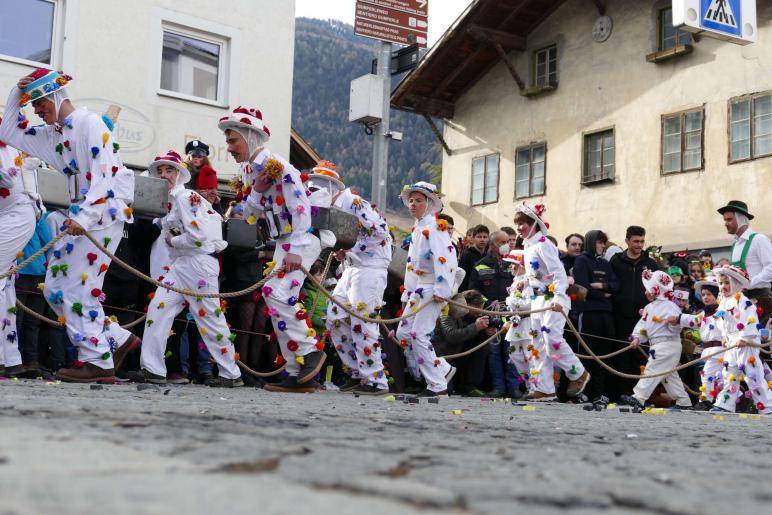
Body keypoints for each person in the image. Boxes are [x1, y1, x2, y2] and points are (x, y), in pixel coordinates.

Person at [0, 68, 139, 383]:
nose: (36, 110)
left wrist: (86, 217)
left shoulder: (90, 124)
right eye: (32, 104)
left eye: (38, 102)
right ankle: (115, 339)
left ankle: (98, 361)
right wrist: (15, 94)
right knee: (55, 288)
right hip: (80, 215)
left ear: (54, 95)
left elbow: (106, 175)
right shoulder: (54, 135)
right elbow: (9, 132)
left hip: (100, 215)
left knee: (74, 289)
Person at [221, 106, 325, 393]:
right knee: (274, 295)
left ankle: (310, 352)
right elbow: (250, 212)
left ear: (251, 138)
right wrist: (257, 188)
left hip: (300, 239)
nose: (229, 147)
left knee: (277, 293)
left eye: (233, 140)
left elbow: (301, 207)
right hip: (283, 241)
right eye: (228, 141)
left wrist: (295, 250)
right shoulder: (252, 171)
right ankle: (296, 371)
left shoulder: (278, 166)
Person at [127, 151, 241, 387]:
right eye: (160, 171)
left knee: (209, 319)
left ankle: (231, 373)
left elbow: (198, 237)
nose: (164, 174)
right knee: (158, 310)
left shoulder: (184, 197)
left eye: (169, 170)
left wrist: (173, 241)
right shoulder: (173, 201)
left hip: (197, 263)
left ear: (179, 174)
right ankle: (153, 369)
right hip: (182, 265)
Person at [308, 160, 392, 395]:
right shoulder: (333, 210)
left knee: (362, 321)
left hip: (370, 267)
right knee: (334, 317)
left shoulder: (355, 203)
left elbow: (380, 232)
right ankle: (357, 372)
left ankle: (375, 380)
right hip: (352, 268)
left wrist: (352, 248)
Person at [514, 203, 590, 401]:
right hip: (537, 300)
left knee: (552, 341)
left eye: (523, 223)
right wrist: (523, 282)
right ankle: (544, 388)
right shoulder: (529, 247)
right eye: (518, 224)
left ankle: (578, 373)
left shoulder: (543, 245)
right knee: (537, 344)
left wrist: (557, 297)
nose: (519, 228)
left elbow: (559, 274)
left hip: (553, 299)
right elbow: (538, 275)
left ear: (534, 224)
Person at [396, 182, 457, 397]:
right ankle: (442, 368)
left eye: (419, 201)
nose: (413, 204)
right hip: (419, 288)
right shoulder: (418, 229)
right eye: (411, 201)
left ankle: (437, 385)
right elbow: (412, 266)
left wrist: (442, 289)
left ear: (429, 204)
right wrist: (408, 293)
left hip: (433, 287)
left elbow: (447, 261)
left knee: (419, 334)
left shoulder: (435, 228)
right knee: (403, 333)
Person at [619, 270, 692, 410]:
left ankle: (638, 397)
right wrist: (637, 338)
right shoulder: (649, 307)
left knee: (652, 370)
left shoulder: (671, 306)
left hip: (668, 344)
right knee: (668, 375)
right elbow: (642, 326)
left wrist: (672, 324)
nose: (645, 292)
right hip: (658, 345)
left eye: (647, 289)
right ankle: (683, 402)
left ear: (654, 291)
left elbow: (677, 326)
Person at [707, 266, 772, 414]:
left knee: (752, 375)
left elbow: (749, 319)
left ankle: (767, 406)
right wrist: (724, 336)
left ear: (736, 283)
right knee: (729, 373)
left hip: (745, 343)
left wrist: (744, 337)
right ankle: (725, 404)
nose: (723, 287)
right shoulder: (723, 302)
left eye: (727, 283)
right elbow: (722, 322)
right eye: (721, 283)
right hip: (731, 343)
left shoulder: (742, 300)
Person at [0, 144, 38, 377]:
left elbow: (7, 178)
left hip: (17, 215)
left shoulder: (6, 143)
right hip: (9, 216)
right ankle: (9, 357)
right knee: (5, 287)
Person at [609, 225, 660, 397]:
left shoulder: (651, 264)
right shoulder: (616, 261)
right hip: (621, 317)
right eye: (636, 241)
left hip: (644, 318)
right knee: (622, 356)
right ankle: (621, 393)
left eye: (642, 241)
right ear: (627, 241)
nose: (639, 245)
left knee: (642, 357)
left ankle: (639, 395)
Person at [468, 230, 518, 398]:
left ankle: (514, 388)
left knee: (512, 351)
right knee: (494, 353)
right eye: (502, 242)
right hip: (490, 317)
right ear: (493, 243)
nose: (507, 245)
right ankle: (498, 388)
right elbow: (474, 292)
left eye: (508, 241)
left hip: (511, 316)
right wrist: (488, 304)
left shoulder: (513, 264)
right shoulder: (480, 265)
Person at [572, 230, 619, 406]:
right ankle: (583, 391)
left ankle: (597, 393)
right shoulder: (582, 261)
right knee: (587, 353)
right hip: (589, 312)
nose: (602, 246)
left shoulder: (605, 263)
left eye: (603, 243)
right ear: (592, 242)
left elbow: (616, 285)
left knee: (603, 355)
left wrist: (602, 286)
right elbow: (583, 288)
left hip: (606, 313)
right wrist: (603, 294)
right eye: (599, 242)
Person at [718, 200, 772, 326]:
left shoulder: (759, 239)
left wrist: (749, 283)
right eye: (725, 220)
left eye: (729, 219)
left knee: (760, 340)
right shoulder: (735, 245)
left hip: (760, 297)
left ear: (741, 218)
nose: (725, 223)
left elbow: (770, 267)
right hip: (740, 298)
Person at [678, 276, 722, 411]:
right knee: (707, 375)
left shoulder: (724, 310)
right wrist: (678, 318)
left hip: (723, 349)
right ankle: (706, 400)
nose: (706, 297)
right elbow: (693, 321)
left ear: (716, 295)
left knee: (725, 377)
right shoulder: (702, 314)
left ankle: (730, 401)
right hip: (708, 350)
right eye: (703, 295)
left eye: (709, 294)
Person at [437, 289, 492, 397]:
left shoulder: (472, 316)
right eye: (477, 306)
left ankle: (470, 386)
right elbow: (451, 336)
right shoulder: (448, 311)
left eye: (481, 306)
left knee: (481, 347)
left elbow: (473, 339)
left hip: (459, 354)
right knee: (446, 390)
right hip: (444, 356)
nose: (480, 310)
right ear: (466, 304)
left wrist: (485, 333)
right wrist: (476, 327)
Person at [184, 140, 221, 213]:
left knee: (217, 204)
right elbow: (183, 189)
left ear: (204, 158)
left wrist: (213, 195)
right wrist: (199, 192)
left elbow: (211, 186)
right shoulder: (186, 169)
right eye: (194, 156)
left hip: (200, 202)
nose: (196, 158)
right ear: (189, 157)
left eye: (200, 156)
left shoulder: (206, 170)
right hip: (188, 203)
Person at [458, 224, 488, 291]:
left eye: (485, 237)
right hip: (468, 295)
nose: (482, 239)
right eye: (479, 237)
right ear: (473, 238)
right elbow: (462, 278)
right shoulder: (466, 255)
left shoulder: (488, 256)